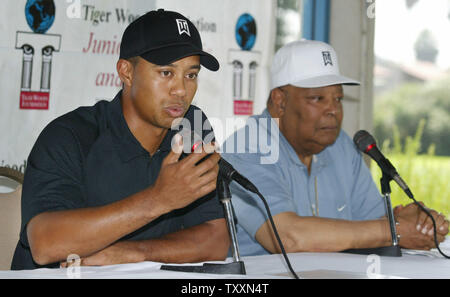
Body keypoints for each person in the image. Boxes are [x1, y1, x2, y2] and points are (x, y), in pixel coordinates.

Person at [11, 9, 230, 270]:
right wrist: (157, 200)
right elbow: (45, 245)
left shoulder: (192, 125)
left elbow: (216, 240)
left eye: (191, 75)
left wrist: (128, 253)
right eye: (166, 73)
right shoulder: (70, 135)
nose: (181, 90)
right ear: (126, 72)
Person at [221, 40, 449, 256]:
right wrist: (395, 229)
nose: (333, 110)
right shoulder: (246, 149)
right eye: (318, 98)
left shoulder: (341, 147)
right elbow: (286, 237)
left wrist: (415, 223)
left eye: (338, 99)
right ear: (280, 102)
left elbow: (375, 224)